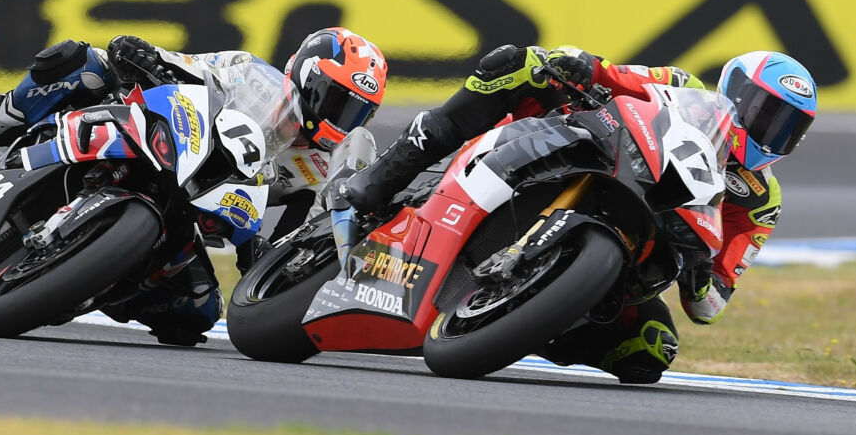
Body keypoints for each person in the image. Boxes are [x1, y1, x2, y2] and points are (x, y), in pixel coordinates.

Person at [336, 44, 816, 383]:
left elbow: (712, 304)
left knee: (651, 349)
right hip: (592, 153)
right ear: (733, 90)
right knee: (515, 65)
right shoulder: (682, 87)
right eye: (765, 112)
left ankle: (518, 322)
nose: (772, 132)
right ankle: (376, 183)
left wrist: (699, 277)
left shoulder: (760, 201)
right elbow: (618, 77)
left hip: (639, 252)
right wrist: (582, 65)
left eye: (788, 127)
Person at [0, 27, 389, 345]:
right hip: (162, 138)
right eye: (337, 99)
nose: (340, 118)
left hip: (194, 212)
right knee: (82, 62)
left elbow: (287, 240)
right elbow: (186, 65)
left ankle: (85, 281)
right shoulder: (253, 76)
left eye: (356, 112)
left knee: (196, 312)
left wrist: (265, 257)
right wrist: (142, 57)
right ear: (308, 76)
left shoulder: (320, 167)